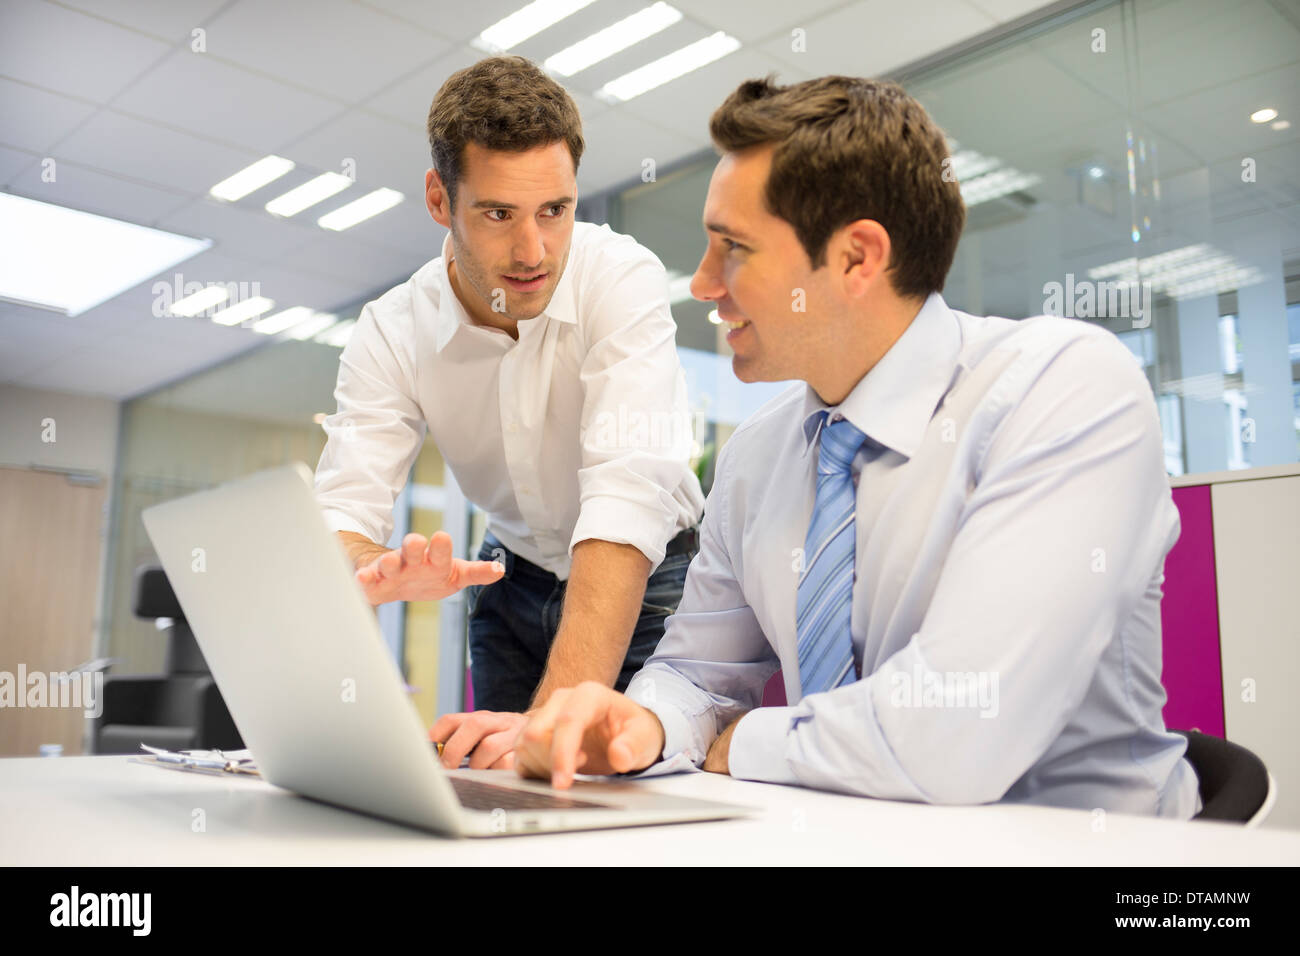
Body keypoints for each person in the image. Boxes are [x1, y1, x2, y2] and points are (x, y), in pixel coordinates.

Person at [511, 75, 1201, 818]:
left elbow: (954, 735)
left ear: (856, 259)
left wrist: (745, 741)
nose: (706, 284)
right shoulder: (759, 454)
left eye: (733, 248)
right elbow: (697, 676)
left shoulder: (1064, 389)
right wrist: (640, 725)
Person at [313, 56, 704, 770]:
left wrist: (543, 729)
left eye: (554, 211)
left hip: (650, 584)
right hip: (511, 585)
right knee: (503, 800)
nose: (533, 252)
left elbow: (625, 500)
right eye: (498, 214)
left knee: (624, 793)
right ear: (440, 199)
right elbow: (339, 514)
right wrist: (373, 567)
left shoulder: (619, 276)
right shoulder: (391, 329)